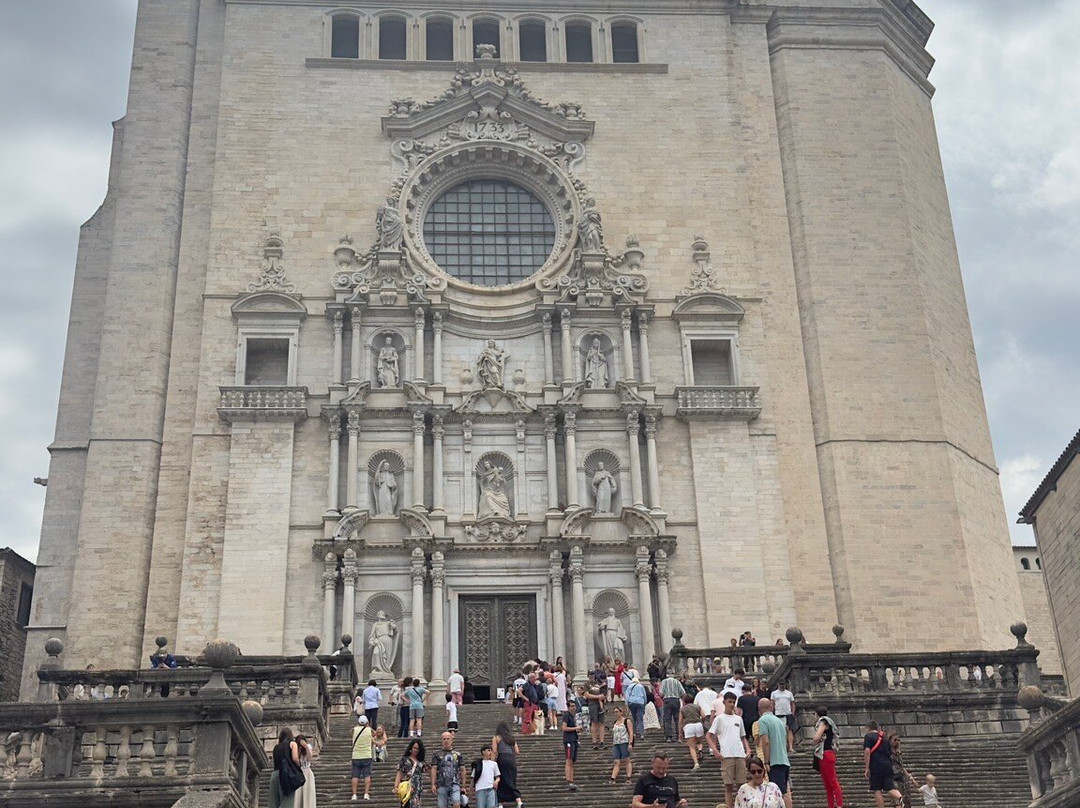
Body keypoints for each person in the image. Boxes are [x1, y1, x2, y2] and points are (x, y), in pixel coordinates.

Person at [707, 692, 751, 808]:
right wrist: (715, 750)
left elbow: (743, 737)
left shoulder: (738, 719)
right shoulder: (719, 719)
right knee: (728, 785)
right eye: (729, 702)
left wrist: (748, 749)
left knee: (742, 784)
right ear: (724, 702)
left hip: (740, 753)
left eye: (733, 702)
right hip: (726, 754)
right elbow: (709, 735)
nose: (731, 704)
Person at [757, 699, 793, 808]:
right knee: (783, 791)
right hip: (784, 760)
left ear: (759, 709)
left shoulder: (763, 720)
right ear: (771, 707)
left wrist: (766, 761)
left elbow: (765, 742)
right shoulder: (780, 722)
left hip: (774, 761)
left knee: (780, 792)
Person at [863, 721, 903, 808]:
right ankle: (900, 797)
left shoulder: (868, 736)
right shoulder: (884, 739)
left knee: (877, 789)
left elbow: (867, 751)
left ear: (868, 728)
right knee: (890, 788)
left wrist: (866, 768)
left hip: (876, 766)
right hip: (888, 766)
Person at [811, 707, 843, 808]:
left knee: (832, 782)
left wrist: (814, 741)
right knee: (828, 785)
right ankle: (832, 805)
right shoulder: (827, 722)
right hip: (825, 754)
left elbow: (817, 737)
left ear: (817, 714)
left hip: (825, 754)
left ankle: (839, 805)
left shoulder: (823, 722)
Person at [430, 731, 467, 808]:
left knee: (456, 803)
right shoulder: (437, 754)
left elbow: (462, 769)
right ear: (441, 740)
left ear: (452, 740)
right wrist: (433, 784)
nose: (446, 741)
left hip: (455, 783)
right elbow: (434, 769)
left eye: (448, 739)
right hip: (441, 784)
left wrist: (463, 786)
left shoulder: (457, 754)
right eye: (444, 739)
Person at [492, 722, 523, 808]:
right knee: (511, 779)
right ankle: (518, 800)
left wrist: (492, 762)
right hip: (511, 759)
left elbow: (494, 751)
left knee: (501, 780)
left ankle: (500, 803)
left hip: (502, 758)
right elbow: (517, 751)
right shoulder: (511, 738)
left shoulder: (496, 737)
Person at [270, 727, 299, 808]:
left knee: (273, 803)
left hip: (275, 774)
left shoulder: (276, 747)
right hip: (287, 774)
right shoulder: (293, 744)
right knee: (287, 802)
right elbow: (295, 758)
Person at [394, 738, 427, 808]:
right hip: (406, 787)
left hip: (417, 788)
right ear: (411, 748)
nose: (416, 750)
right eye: (414, 748)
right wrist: (396, 786)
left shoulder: (421, 762)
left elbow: (429, 770)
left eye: (418, 749)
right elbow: (399, 773)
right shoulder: (404, 759)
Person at [678, 693, 705, 770]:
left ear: (684, 701)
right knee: (699, 742)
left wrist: (680, 732)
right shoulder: (697, 706)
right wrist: (702, 722)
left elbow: (680, 721)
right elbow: (703, 716)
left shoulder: (683, 709)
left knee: (692, 747)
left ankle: (696, 763)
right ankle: (700, 750)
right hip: (698, 724)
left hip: (688, 726)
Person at [609, 703, 635, 784]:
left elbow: (631, 732)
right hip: (616, 743)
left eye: (617, 712)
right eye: (614, 712)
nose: (616, 713)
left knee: (627, 760)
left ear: (621, 712)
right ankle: (613, 778)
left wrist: (630, 743)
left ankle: (628, 777)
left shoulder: (626, 721)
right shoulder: (615, 722)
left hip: (624, 742)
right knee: (616, 761)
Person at [351, 715, 374, 802]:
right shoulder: (369, 730)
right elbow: (375, 733)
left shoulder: (354, 729)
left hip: (356, 755)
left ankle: (354, 794)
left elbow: (351, 733)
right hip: (366, 755)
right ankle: (366, 793)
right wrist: (368, 726)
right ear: (367, 722)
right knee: (367, 775)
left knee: (355, 776)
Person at [770, 681, 796, 754]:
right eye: (780, 684)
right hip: (778, 714)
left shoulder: (789, 693)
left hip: (788, 714)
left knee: (790, 731)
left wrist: (793, 712)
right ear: (778, 684)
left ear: (785, 684)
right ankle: (781, 746)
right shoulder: (774, 693)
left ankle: (790, 747)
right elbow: (772, 704)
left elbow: (792, 703)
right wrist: (772, 713)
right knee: (779, 731)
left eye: (783, 684)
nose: (782, 686)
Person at [660, 669, 686, 742]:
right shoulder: (677, 682)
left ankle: (669, 737)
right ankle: (679, 736)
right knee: (677, 719)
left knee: (667, 719)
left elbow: (661, 693)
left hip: (667, 700)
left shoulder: (664, 682)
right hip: (676, 700)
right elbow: (683, 693)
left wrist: (664, 697)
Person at [561, 698, 582, 791]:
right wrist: (575, 728)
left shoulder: (572, 716)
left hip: (573, 739)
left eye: (574, 706)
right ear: (568, 707)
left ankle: (571, 779)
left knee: (572, 760)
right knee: (569, 759)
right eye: (572, 706)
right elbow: (564, 728)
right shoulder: (566, 716)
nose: (574, 708)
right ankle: (568, 779)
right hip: (569, 740)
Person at [294, 734, 317, 808]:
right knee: (298, 794)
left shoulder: (308, 747)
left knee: (308, 793)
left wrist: (306, 747)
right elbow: (296, 760)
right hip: (299, 772)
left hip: (307, 772)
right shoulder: (295, 749)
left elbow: (309, 758)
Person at [624, 674, 648, 738]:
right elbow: (644, 695)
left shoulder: (629, 686)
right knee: (640, 718)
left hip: (632, 703)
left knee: (634, 718)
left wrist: (627, 704)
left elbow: (627, 696)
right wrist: (645, 703)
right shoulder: (641, 686)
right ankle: (641, 734)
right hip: (640, 703)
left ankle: (634, 732)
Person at [586, 680, 608, 748]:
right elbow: (587, 695)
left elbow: (604, 694)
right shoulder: (587, 684)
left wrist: (602, 696)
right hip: (592, 704)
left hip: (601, 704)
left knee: (601, 722)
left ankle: (602, 741)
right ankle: (594, 741)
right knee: (594, 722)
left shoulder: (601, 684)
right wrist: (598, 697)